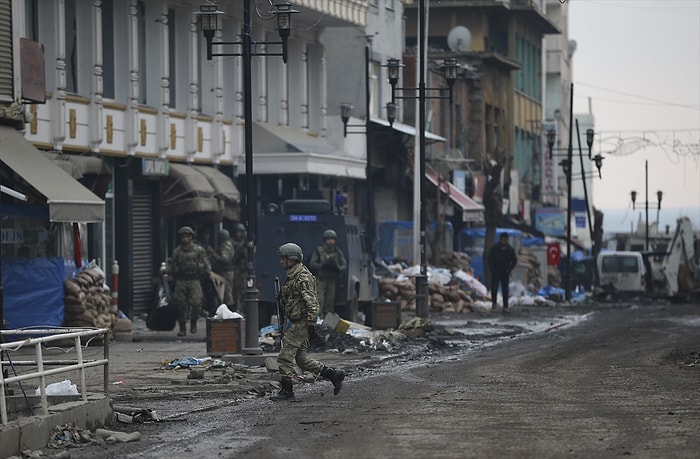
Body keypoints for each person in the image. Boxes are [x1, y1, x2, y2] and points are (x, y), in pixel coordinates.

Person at [270, 242, 345, 401]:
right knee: (302, 360)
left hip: (301, 323)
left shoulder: (302, 277)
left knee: (284, 357)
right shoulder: (293, 275)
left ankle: (287, 391)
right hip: (297, 321)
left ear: (292, 259)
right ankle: (333, 375)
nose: (281, 262)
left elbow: (312, 303)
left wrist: (311, 326)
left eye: (283, 258)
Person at [168, 226, 212, 336]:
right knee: (180, 304)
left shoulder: (198, 250)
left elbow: (206, 265)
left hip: (194, 280)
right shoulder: (177, 252)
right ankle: (182, 327)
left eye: (187, 236)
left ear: (191, 237)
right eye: (183, 236)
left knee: (197, 303)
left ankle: (193, 322)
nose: (185, 239)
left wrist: (204, 271)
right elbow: (172, 267)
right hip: (181, 280)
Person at [308, 229, 347, 316]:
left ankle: (327, 319)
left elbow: (344, 265)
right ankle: (318, 319)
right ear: (325, 240)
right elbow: (312, 264)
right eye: (328, 239)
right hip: (321, 279)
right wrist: (323, 265)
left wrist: (337, 268)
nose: (330, 241)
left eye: (332, 239)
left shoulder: (337, 252)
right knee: (319, 300)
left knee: (330, 301)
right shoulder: (319, 251)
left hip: (332, 280)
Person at [487, 232, 518, 312]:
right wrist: (492, 269)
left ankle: (505, 306)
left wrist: (509, 269)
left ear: (507, 240)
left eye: (505, 240)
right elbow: (490, 259)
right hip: (496, 271)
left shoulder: (510, 249)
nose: (503, 241)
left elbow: (514, 260)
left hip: (505, 271)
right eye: (502, 239)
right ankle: (494, 304)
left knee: (505, 290)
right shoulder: (494, 248)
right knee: (494, 288)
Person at [211, 229, 235, 310]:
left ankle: (229, 310)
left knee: (226, 292)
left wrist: (215, 256)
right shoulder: (229, 244)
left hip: (226, 271)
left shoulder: (225, 246)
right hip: (227, 271)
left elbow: (225, 259)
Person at [230, 223, 248, 309]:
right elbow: (234, 259)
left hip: (249, 272)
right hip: (241, 272)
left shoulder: (252, 248)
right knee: (239, 291)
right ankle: (238, 308)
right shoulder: (240, 248)